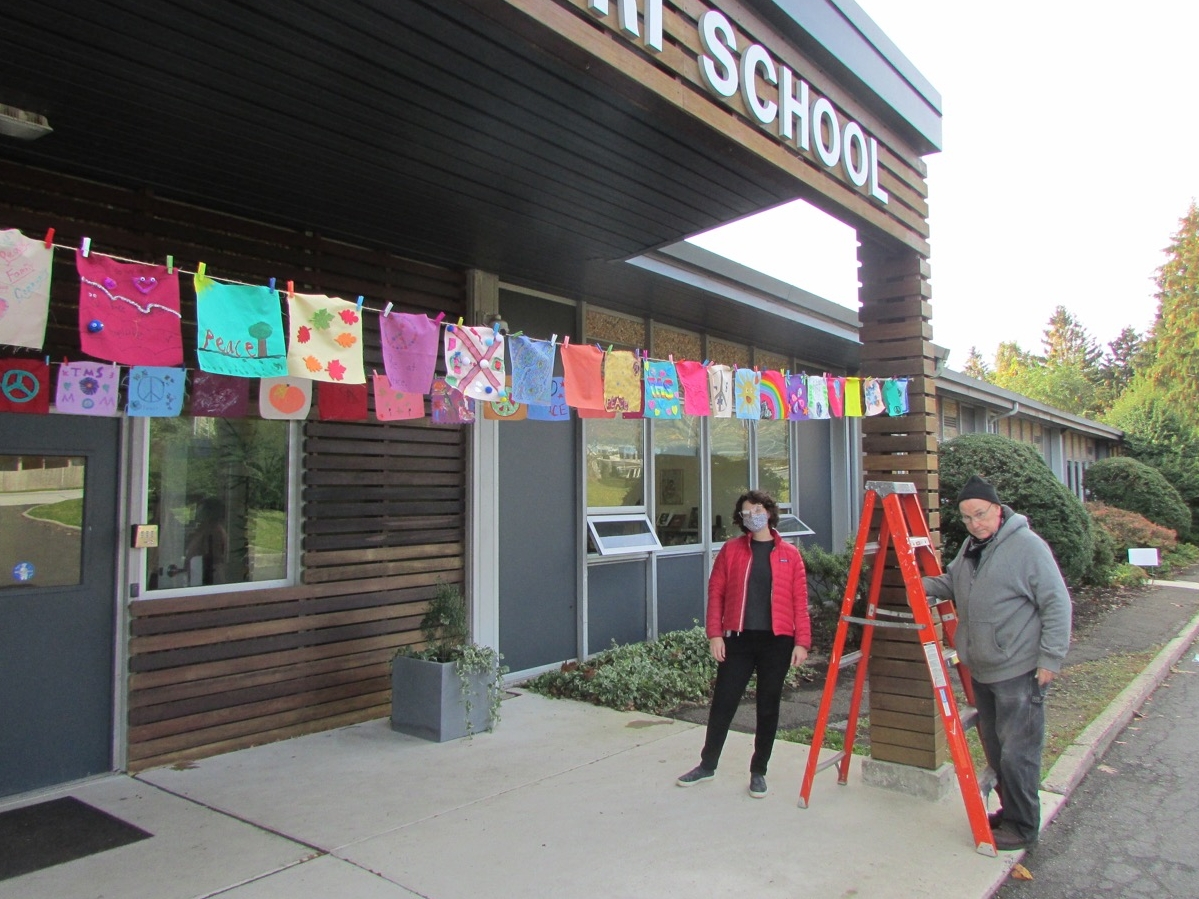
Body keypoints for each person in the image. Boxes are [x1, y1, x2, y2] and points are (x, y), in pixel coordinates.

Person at [923, 475, 1072, 851]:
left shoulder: (1026, 547)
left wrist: (1050, 658)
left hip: (1019, 670)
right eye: (968, 517)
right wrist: (917, 583)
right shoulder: (973, 548)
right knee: (996, 747)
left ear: (998, 510)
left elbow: (1057, 603)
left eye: (982, 514)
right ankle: (1009, 813)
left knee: (1018, 752)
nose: (976, 523)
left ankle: (1023, 826)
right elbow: (954, 584)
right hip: (984, 669)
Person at [676, 490, 810, 798]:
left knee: (767, 707)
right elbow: (716, 593)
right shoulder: (731, 551)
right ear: (741, 518)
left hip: (777, 642)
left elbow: (799, 602)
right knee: (723, 703)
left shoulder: (790, 554)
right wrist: (714, 634)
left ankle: (758, 770)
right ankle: (707, 764)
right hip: (739, 640)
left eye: (758, 510)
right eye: (747, 513)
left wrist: (801, 642)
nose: (753, 517)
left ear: (770, 512)